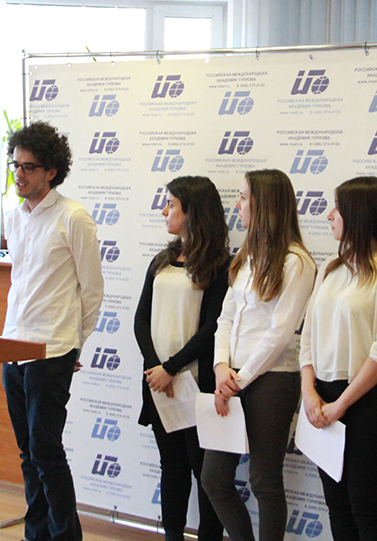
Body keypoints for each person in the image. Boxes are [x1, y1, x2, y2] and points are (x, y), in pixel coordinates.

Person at [1, 120, 104, 541]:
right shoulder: (13, 218)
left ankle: (65, 536)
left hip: (51, 350)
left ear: (51, 172)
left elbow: (92, 291)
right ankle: (36, 535)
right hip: (12, 348)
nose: (19, 174)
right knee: (28, 454)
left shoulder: (73, 218)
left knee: (46, 452)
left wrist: (74, 345)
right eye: (15, 165)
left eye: (28, 167)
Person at [201, 168, 316, 541]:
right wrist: (221, 366)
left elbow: (280, 333)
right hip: (232, 377)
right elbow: (226, 317)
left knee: (264, 481)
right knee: (213, 478)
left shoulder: (297, 262)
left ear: (264, 205)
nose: (237, 204)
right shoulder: (246, 254)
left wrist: (239, 379)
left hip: (273, 380)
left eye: (244, 197)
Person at [299, 176, 377, 541]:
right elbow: (308, 337)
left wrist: (340, 406)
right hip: (324, 398)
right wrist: (309, 392)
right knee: (338, 508)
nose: (329, 215)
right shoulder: (331, 268)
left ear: (360, 214)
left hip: (374, 401)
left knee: (365, 507)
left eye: (338, 208)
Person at [134, 176, 230, 541]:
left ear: (193, 212)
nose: (164, 211)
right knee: (171, 466)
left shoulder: (220, 266)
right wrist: (156, 368)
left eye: (171, 204)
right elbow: (141, 318)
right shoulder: (161, 260)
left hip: (197, 384)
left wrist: (172, 368)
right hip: (160, 383)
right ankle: (172, 534)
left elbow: (213, 328)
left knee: (205, 472)